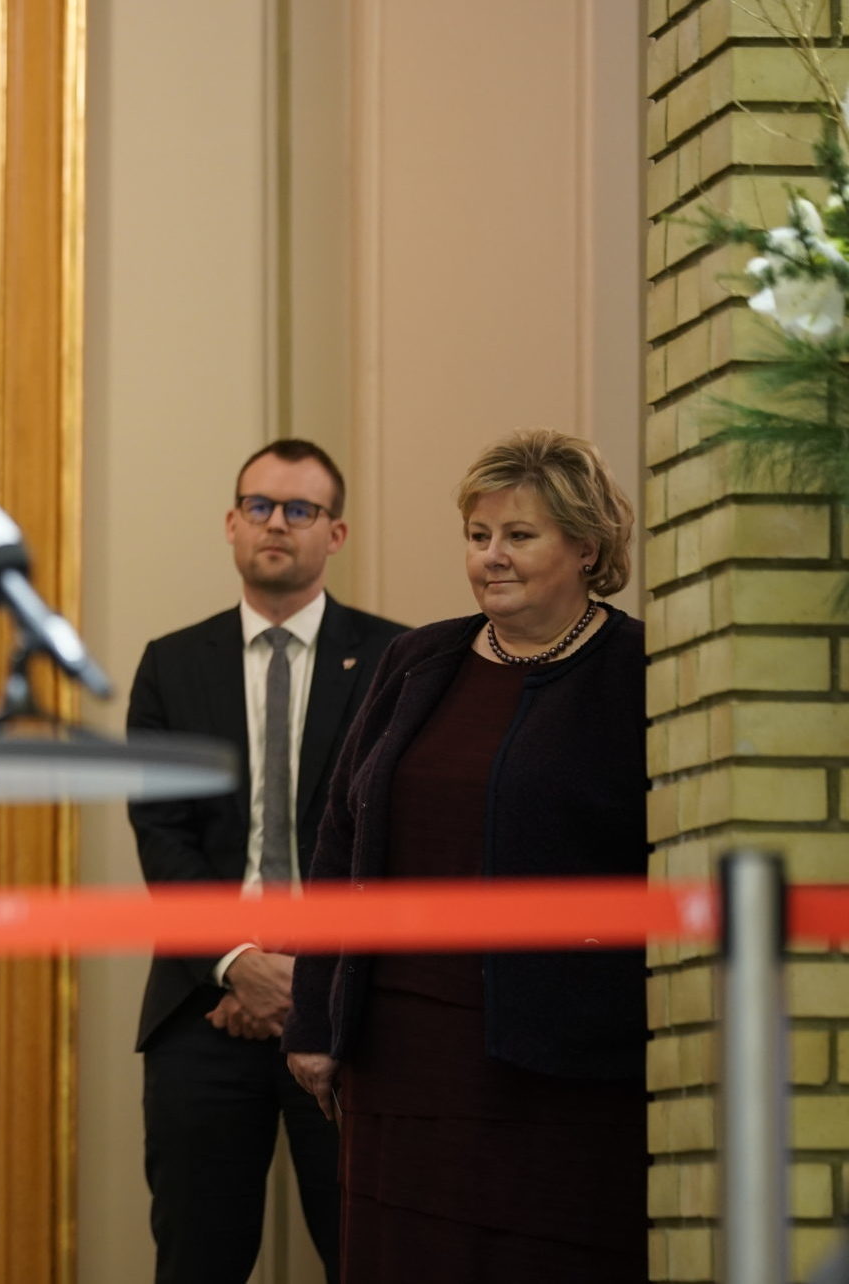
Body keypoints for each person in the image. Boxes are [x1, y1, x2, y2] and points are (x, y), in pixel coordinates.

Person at [284, 428, 648, 1283]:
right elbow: (340, 837)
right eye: (478, 536)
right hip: (399, 1055)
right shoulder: (419, 660)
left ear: (586, 547)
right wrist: (315, 1019)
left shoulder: (635, 669)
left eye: (519, 535)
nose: (492, 557)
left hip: (555, 1071)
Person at [126, 439, 404, 1283]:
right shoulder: (172, 664)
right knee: (195, 1260)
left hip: (349, 1015)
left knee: (370, 1256)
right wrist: (239, 964)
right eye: (259, 506)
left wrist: (303, 979)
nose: (276, 524)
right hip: (203, 1006)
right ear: (231, 523)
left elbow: (391, 843)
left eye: (300, 509)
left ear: (337, 533)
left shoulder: (396, 662)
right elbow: (161, 834)